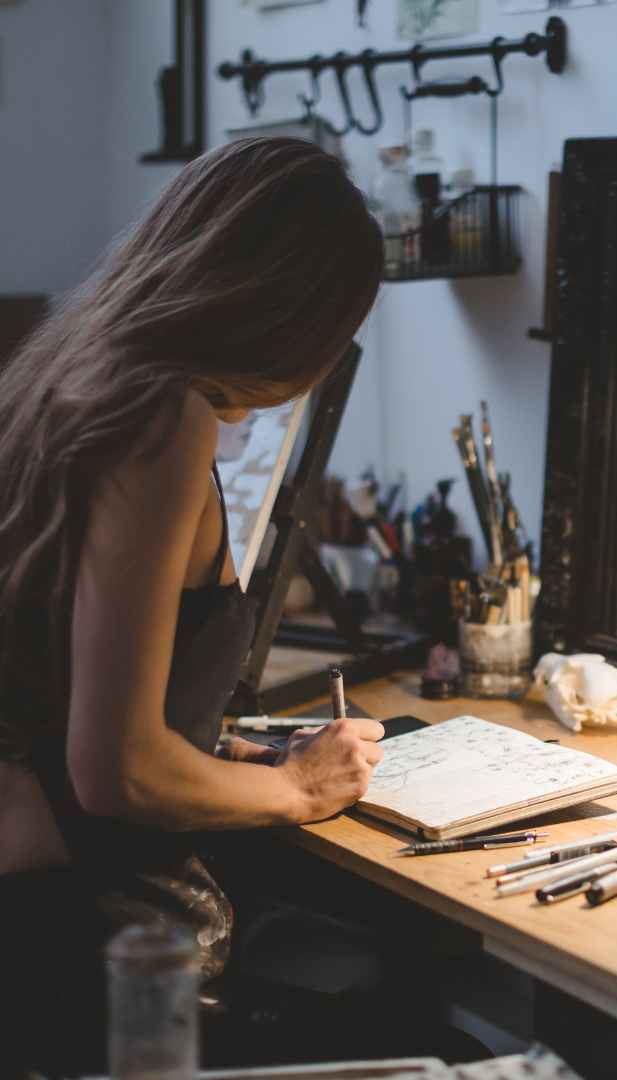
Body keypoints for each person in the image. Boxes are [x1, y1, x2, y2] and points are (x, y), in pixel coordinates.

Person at [0, 137, 387, 1071]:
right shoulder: (160, 419)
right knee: (389, 985)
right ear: (291, 319)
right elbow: (116, 772)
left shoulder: (64, 376)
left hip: (32, 873)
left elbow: (62, 681)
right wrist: (295, 788)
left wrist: (217, 749)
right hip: (83, 925)